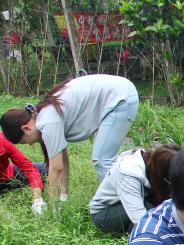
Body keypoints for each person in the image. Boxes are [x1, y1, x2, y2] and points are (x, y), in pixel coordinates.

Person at [1, 74, 139, 203]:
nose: (30, 144)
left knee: (102, 160)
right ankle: (128, 192)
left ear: (26, 128)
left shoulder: (47, 121)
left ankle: (123, 203)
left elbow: (56, 169)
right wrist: (63, 198)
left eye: (25, 141)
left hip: (120, 98)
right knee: (104, 159)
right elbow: (62, 161)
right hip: (119, 92)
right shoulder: (44, 115)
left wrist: (53, 211)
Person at [88, 144, 177, 234]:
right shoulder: (129, 175)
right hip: (105, 213)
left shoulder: (152, 161)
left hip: (137, 200)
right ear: (161, 173)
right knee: (155, 214)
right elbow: (139, 218)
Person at [0, 132, 47, 214]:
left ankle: (47, 202)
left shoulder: (3, 140)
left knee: (45, 168)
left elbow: (30, 169)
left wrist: (37, 201)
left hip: (5, 177)